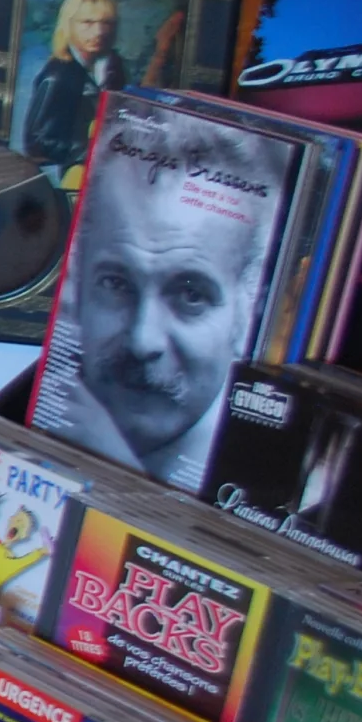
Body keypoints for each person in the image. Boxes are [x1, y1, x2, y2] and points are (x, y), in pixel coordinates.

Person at [60, 113, 282, 488]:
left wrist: (120, 478)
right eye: (115, 283)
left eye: (191, 295)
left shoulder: (264, 477)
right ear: (77, 284)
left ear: (249, 311)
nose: (142, 341)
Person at [21, 0, 129, 167]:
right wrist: (94, 151)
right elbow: (36, 145)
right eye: (87, 23)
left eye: (106, 23)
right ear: (68, 25)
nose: (99, 32)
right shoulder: (57, 76)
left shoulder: (114, 68)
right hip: (76, 176)